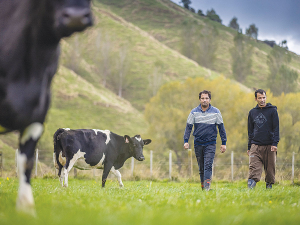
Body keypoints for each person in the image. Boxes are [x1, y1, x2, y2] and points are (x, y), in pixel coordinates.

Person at [183, 90, 227, 191]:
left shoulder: (216, 112)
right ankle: (203, 187)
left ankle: (207, 187)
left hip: (210, 143)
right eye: (202, 98)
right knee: (201, 167)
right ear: (199, 99)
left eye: (206, 98)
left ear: (210, 99)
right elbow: (188, 127)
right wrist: (186, 141)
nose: (204, 100)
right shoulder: (193, 112)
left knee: (208, 165)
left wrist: (223, 143)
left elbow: (221, 128)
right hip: (198, 143)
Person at [247, 89, 279, 189]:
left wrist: (275, 143)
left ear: (266, 97)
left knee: (270, 171)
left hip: (270, 145)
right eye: (260, 98)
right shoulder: (252, 112)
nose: (262, 100)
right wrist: (249, 146)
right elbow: (250, 131)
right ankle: (249, 191)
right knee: (253, 169)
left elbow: (276, 128)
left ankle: (269, 191)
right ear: (256, 99)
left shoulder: (272, 111)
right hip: (255, 145)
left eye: (264, 97)